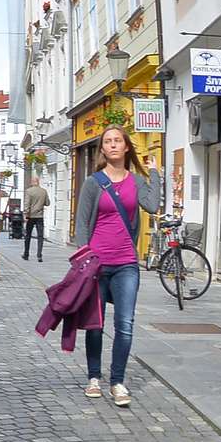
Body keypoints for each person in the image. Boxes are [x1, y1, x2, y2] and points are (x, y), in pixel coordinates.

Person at [72, 125, 163, 410]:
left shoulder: (135, 181)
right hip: (97, 263)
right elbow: (82, 224)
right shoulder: (93, 182)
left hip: (126, 263)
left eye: (117, 141)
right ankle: (94, 377)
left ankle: (118, 381)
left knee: (124, 325)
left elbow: (151, 205)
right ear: (102, 149)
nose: (112, 145)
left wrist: (156, 174)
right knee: (95, 325)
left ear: (126, 147)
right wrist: (84, 259)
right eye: (107, 141)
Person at [22, 176, 50, 262]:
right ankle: (39, 255)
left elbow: (27, 204)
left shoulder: (29, 191)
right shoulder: (43, 191)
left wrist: (25, 214)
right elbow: (47, 203)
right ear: (38, 182)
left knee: (28, 235)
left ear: (32, 182)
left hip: (31, 216)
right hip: (40, 216)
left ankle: (26, 254)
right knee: (40, 236)